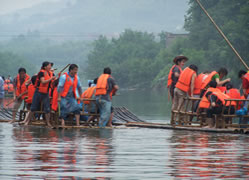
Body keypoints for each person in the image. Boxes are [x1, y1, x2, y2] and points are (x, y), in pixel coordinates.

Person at [24, 62, 55, 127]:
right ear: (45, 67)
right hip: (38, 92)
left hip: (45, 92)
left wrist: (53, 79)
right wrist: (51, 79)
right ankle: (27, 121)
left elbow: (52, 82)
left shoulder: (50, 73)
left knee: (47, 109)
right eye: (49, 66)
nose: (50, 67)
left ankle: (48, 123)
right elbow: (43, 81)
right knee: (33, 107)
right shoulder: (41, 73)